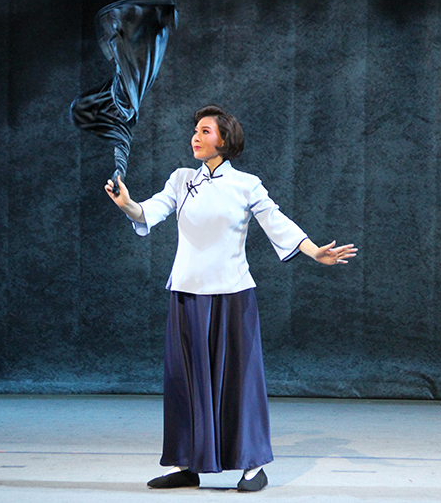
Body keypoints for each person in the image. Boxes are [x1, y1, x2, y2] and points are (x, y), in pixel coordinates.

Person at [104, 104, 357, 492]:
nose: (196, 136)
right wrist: (126, 203)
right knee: (184, 381)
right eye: (195, 130)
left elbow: (276, 221)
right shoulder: (180, 179)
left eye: (205, 131)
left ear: (225, 139)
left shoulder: (247, 184)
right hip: (186, 296)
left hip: (233, 297)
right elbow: (148, 211)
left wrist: (313, 251)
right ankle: (186, 464)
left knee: (240, 381)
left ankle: (253, 466)